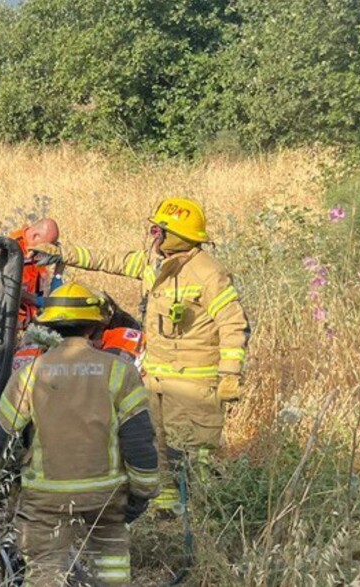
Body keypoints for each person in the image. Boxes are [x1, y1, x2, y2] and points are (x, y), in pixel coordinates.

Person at [34, 197, 249, 512]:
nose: (153, 235)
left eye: (158, 230)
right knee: (157, 448)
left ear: (175, 234)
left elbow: (234, 323)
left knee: (192, 454)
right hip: (156, 377)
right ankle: (165, 511)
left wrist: (230, 373)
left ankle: (205, 516)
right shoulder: (155, 263)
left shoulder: (208, 274)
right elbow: (112, 260)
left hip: (193, 385)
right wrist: (66, 255)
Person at [0, 282, 160, 586]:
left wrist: (7, 475)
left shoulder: (30, 373)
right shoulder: (120, 371)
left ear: (49, 325)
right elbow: (139, 441)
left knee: (44, 570)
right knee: (111, 565)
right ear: (96, 327)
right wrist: (143, 493)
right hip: (105, 497)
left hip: (45, 498)